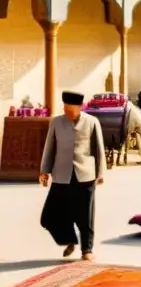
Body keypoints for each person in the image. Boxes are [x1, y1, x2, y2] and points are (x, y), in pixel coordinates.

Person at [39, 91, 106, 261]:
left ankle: (87, 249)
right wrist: (44, 171)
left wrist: (100, 173)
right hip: (61, 174)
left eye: (70, 109)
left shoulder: (92, 122)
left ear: (80, 107)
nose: (66, 112)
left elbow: (99, 148)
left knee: (85, 214)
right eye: (65, 108)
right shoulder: (56, 122)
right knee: (49, 217)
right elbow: (50, 147)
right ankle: (70, 239)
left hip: (85, 174)